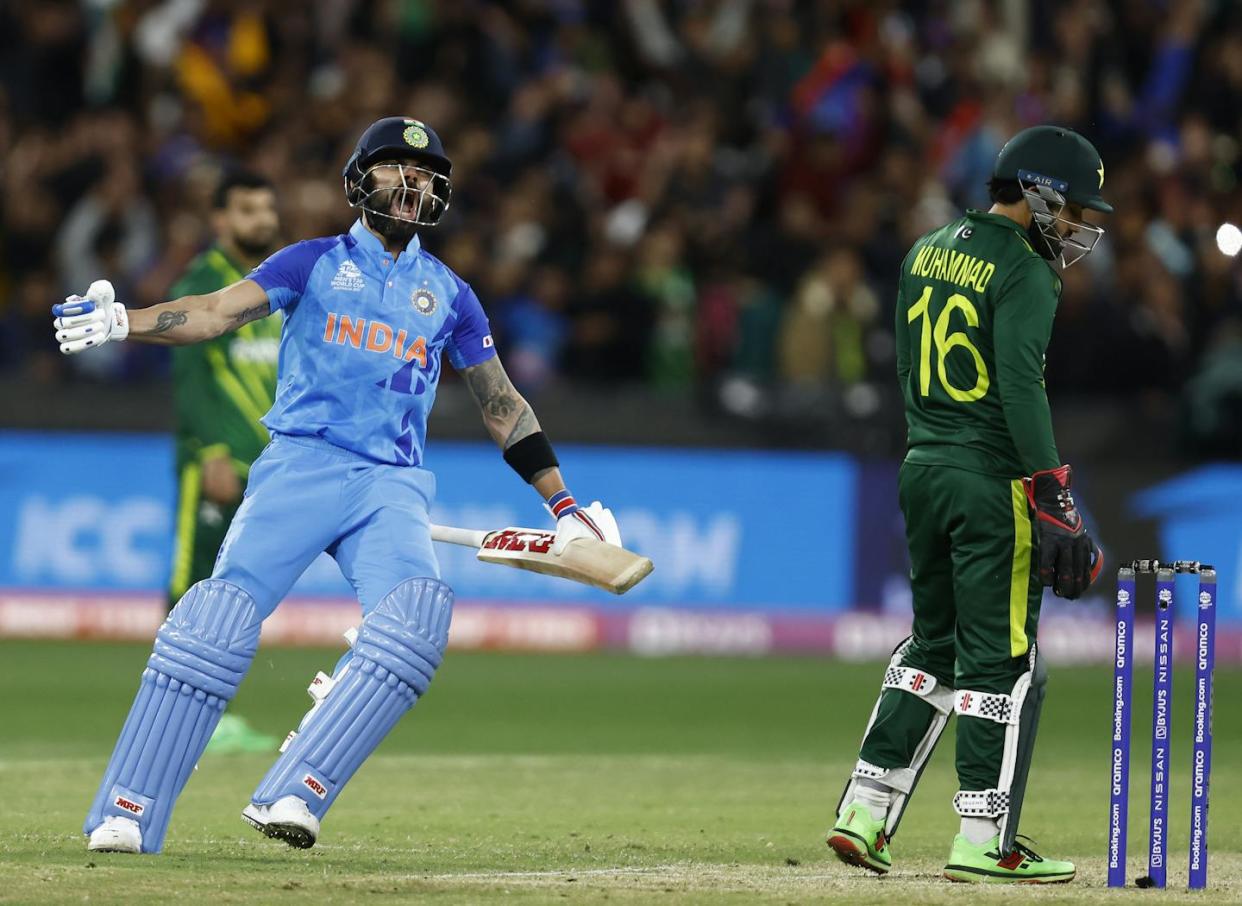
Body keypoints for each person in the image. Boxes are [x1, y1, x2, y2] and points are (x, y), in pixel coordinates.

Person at [54, 116, 620, 855]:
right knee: (214, 622)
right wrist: (125, 319)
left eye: (424, 175)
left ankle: (297, 788)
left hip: (390, 484)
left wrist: (564, 506)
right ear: (360, 181)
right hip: (301, 466)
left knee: (415, 621)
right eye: (394, 169)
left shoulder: (450, 294)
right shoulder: (312, 262)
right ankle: (127, 809)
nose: (411, 183)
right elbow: (217, 312)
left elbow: (501, 402)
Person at [825, 126, 1109, 883]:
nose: (1079, 227)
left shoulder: (924, 249)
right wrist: (1052, 489)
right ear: (1039, 192)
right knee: (1001, 663)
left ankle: (864, 812)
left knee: (931, 647)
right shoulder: (1026, 270)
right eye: (1075, 208)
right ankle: (985, 840)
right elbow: (1020, 385)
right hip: (991, 478)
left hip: (921, 466)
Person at [168, 170, 282, 754]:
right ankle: (180, 713)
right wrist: (211, 451)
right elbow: (189, 379)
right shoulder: (205, 283)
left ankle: (212, 713)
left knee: (236, 592)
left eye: (266, 208)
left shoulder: (273, 286)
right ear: (220, 220)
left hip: (266, 466)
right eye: (246, 210)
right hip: (215, 463)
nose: (261, 220)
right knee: (195, 586)